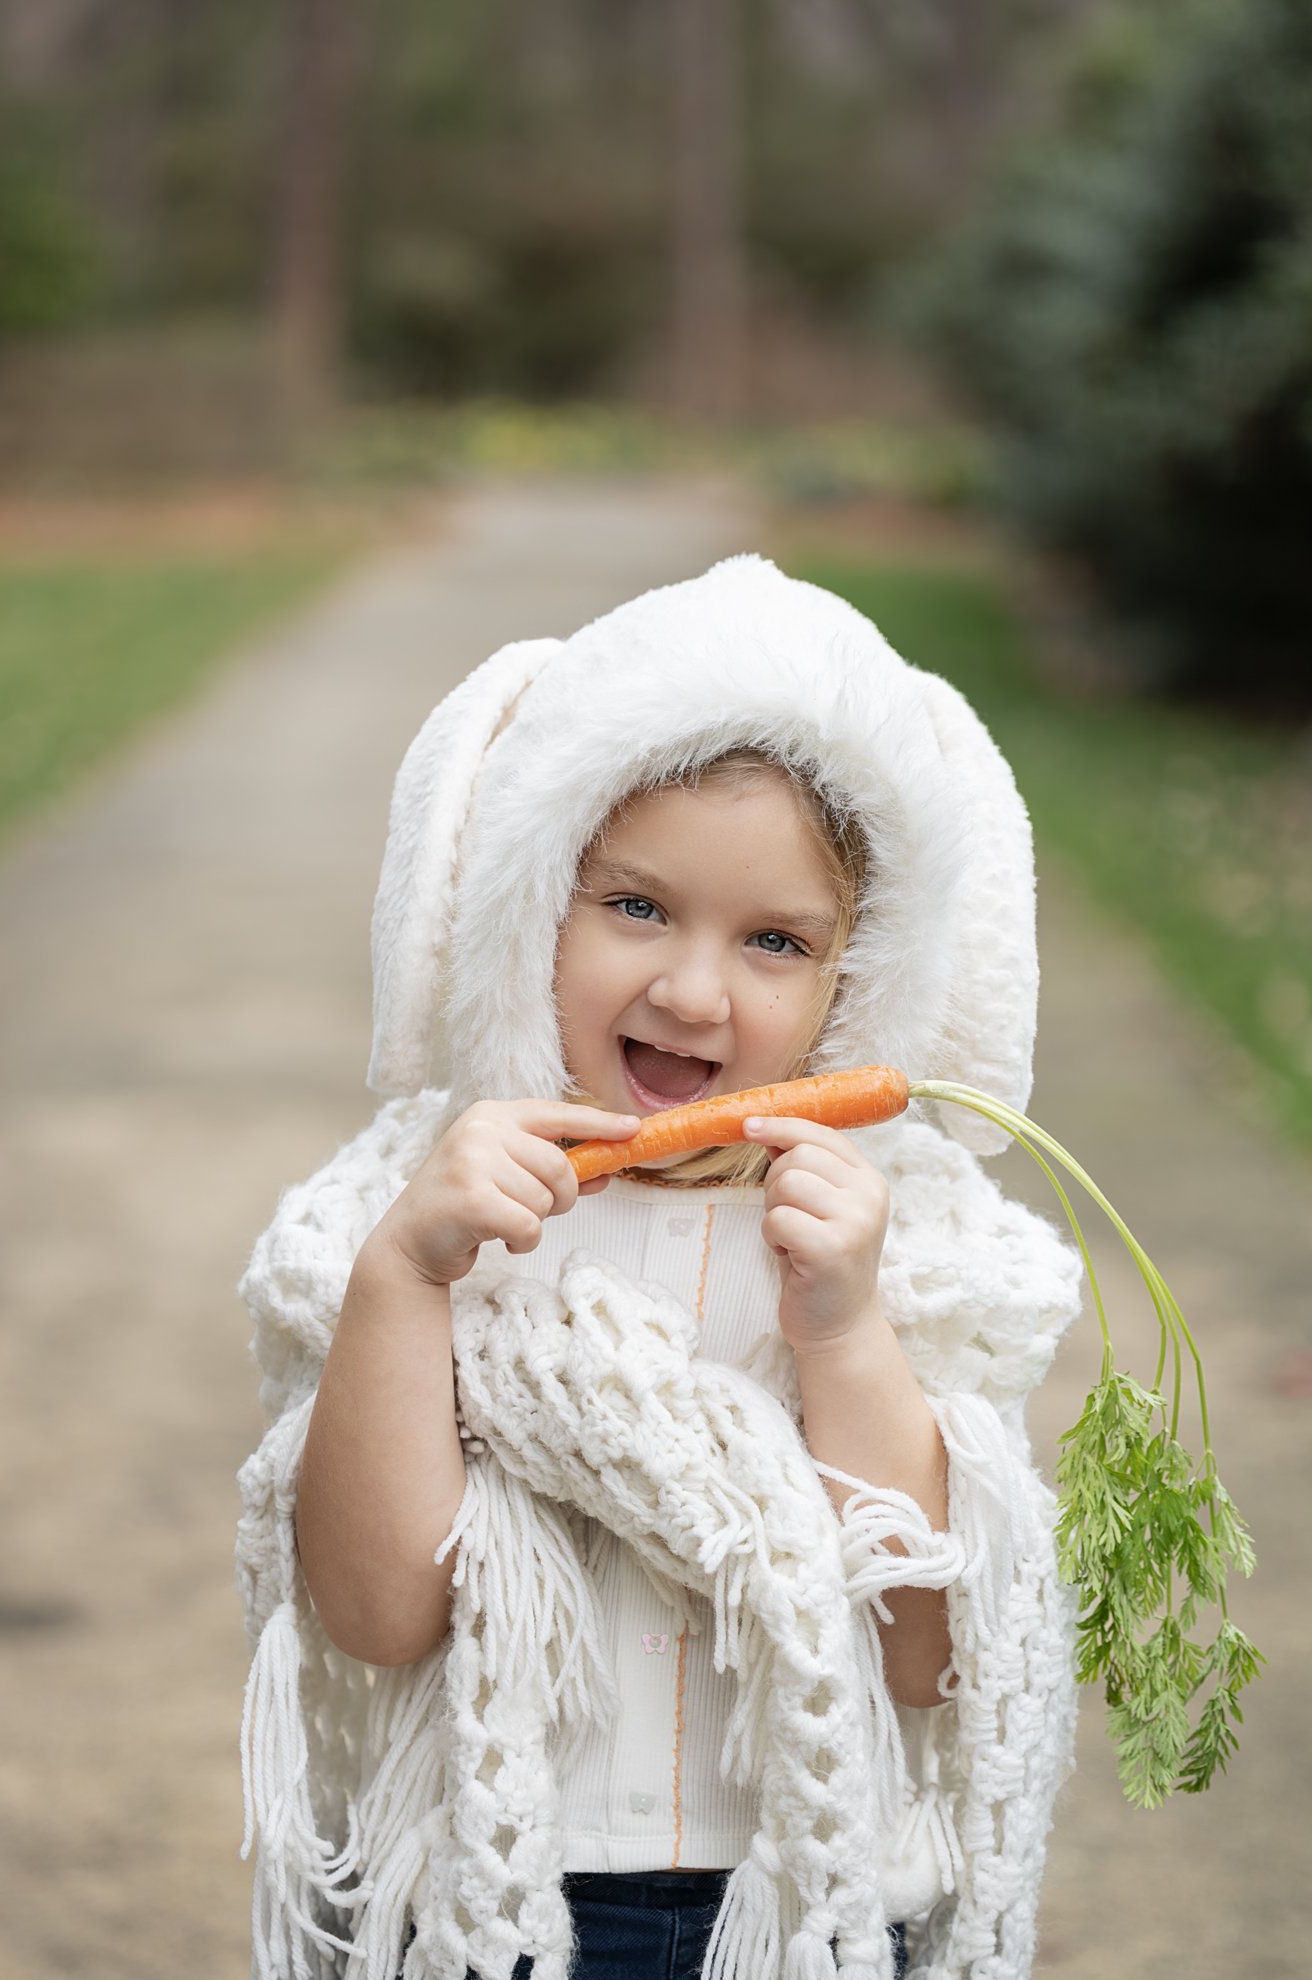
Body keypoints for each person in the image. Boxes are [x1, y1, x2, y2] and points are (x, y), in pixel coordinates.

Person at [235, 555, 1086, 1980]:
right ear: (520, 901)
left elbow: (929, 1651)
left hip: (798, 1899)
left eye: (773, 940)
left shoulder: (894, 1235)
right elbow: (379, 1616)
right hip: (505, 1895)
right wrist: (402, 1283)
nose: (692, 991)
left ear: (853, 980)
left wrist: (845, 1333)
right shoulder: (422, 1213)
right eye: (633, 907)